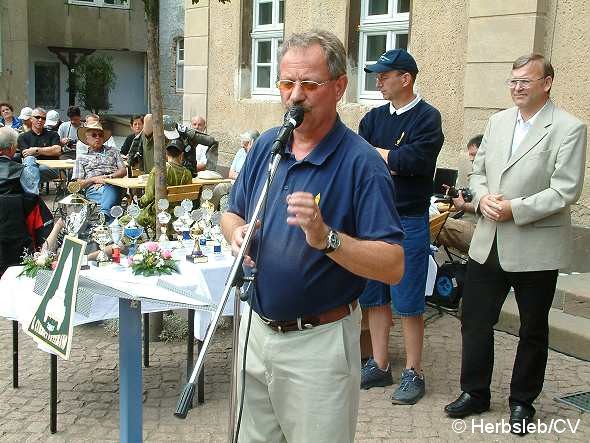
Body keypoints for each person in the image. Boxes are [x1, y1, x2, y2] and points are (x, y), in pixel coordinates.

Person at [221, 30, 405, 442]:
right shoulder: (268, 145)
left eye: (309, 84)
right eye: (286, 83)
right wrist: (237, 235)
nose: (295, 96)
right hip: (255, 328)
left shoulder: (362, 163)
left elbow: (393, 265)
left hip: (318, 345)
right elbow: (232, 213)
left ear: (339, 87)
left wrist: (327, 238)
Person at [444, 54, 587, 435]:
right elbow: (478, 171)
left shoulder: (569, 128)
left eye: (526, 80)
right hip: (488, 241)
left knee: (532, 328)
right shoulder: (498, 121)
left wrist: (515, 209)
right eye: (513, 81)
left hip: (534, 245)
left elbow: (566, 189)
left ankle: (522, 400)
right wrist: (483, 196)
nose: (518, 87)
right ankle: (474, 392)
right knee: (474, 320)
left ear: (547, 83)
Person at [358, 49, 444, 405]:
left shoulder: (427, 117)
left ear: (405, 79)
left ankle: (413, 370)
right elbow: (360, 160)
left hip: (407, 219)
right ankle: (379, 364)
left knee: (408, 299)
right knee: (374, 295)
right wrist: (389, 157)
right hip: (373, 218)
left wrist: (381, 155)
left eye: (384, 75)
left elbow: (415, 162)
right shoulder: (374, 117)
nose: (378, 81)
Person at [436, 134, 482, 254]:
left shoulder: (493, 175)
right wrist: (456, 194)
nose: (471, 159)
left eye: (474, 154)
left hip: (480, 232)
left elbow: (489, 208)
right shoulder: (479, 174)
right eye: (470, 155)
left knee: (431, 224)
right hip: (472, 225)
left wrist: (463, 205)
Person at [73, 121, 126, 220]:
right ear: (87, 139)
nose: (97, 137)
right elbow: (78, 184)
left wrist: (109, 178)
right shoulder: (81, 157)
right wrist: (94, 179)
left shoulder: (113, 151)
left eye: (100, 135)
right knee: (114, 200)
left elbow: (123, 171)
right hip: (94, 188)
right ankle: (108, 219)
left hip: (115, 182)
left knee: (112, 187)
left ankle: (104, 214)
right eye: (94, 135)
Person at [137, 139, 192, 229]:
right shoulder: (188, 174)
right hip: (178, 214)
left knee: (124, 220)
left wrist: (139, 203)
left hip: (157, 214)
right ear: (182, 155)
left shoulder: (159, 170)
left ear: (166, 154)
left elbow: (148, 196)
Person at [16, 108, 62, 184]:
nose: (40, 120)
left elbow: (57, 150)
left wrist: (36, 150)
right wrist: (48, 151)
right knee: (32, 169)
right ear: (31, 119)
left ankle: (29, 190)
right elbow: (26, 154)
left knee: (31, 172)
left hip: (50, 167)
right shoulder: (23, 137)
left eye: (43, 118)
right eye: (37, 117)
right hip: (31, 167)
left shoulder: (53, 134)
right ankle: (33, 192)